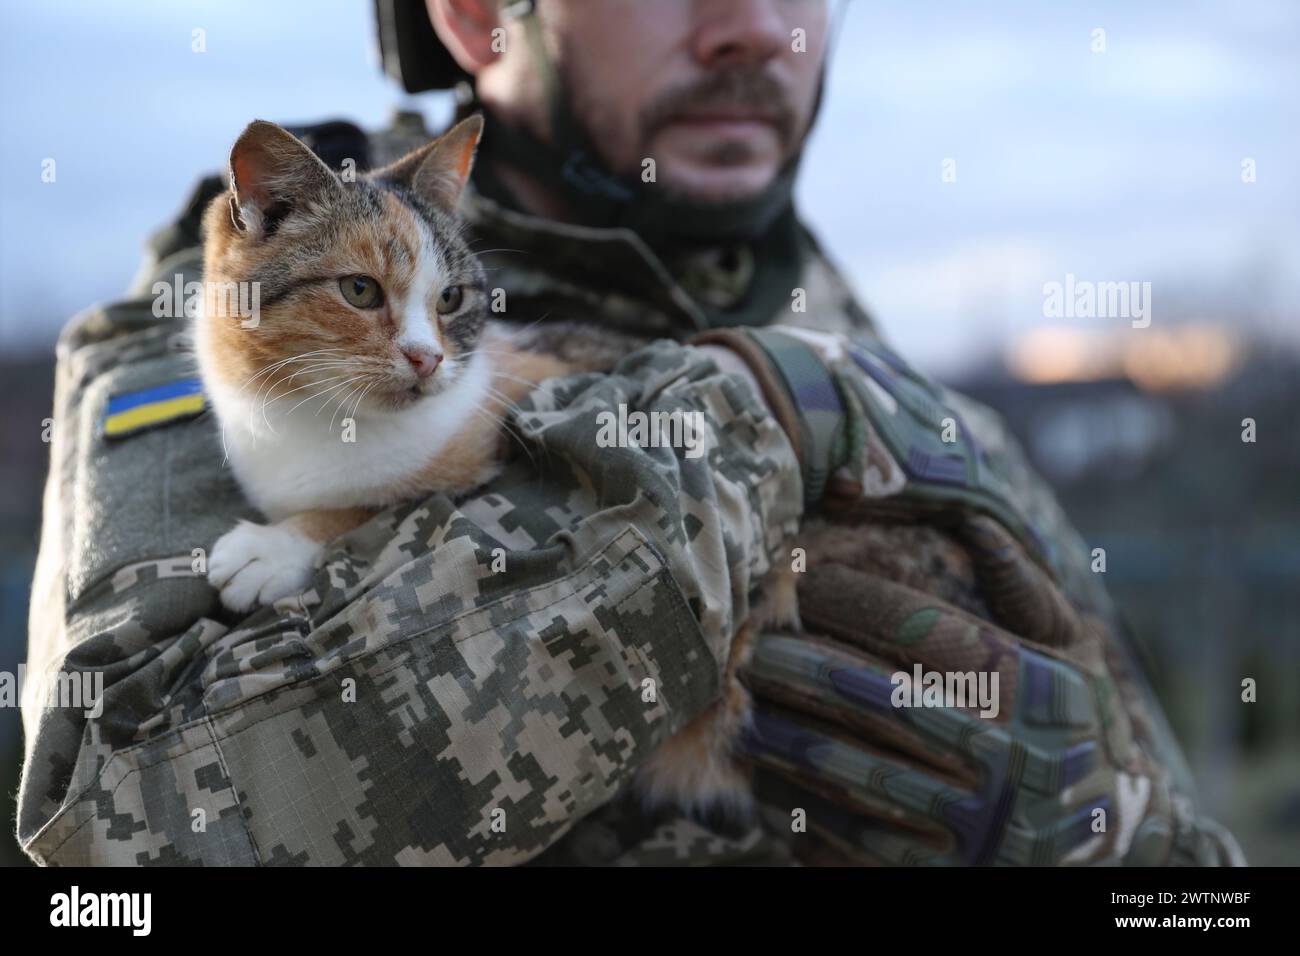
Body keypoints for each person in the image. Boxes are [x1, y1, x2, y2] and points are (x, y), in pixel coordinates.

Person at [16, 0, 1241, 866]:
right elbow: (115, 831)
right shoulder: (207, 327)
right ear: (479, 14)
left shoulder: (889, 360)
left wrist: (1105, 829)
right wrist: (751, 422)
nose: (755, 25)